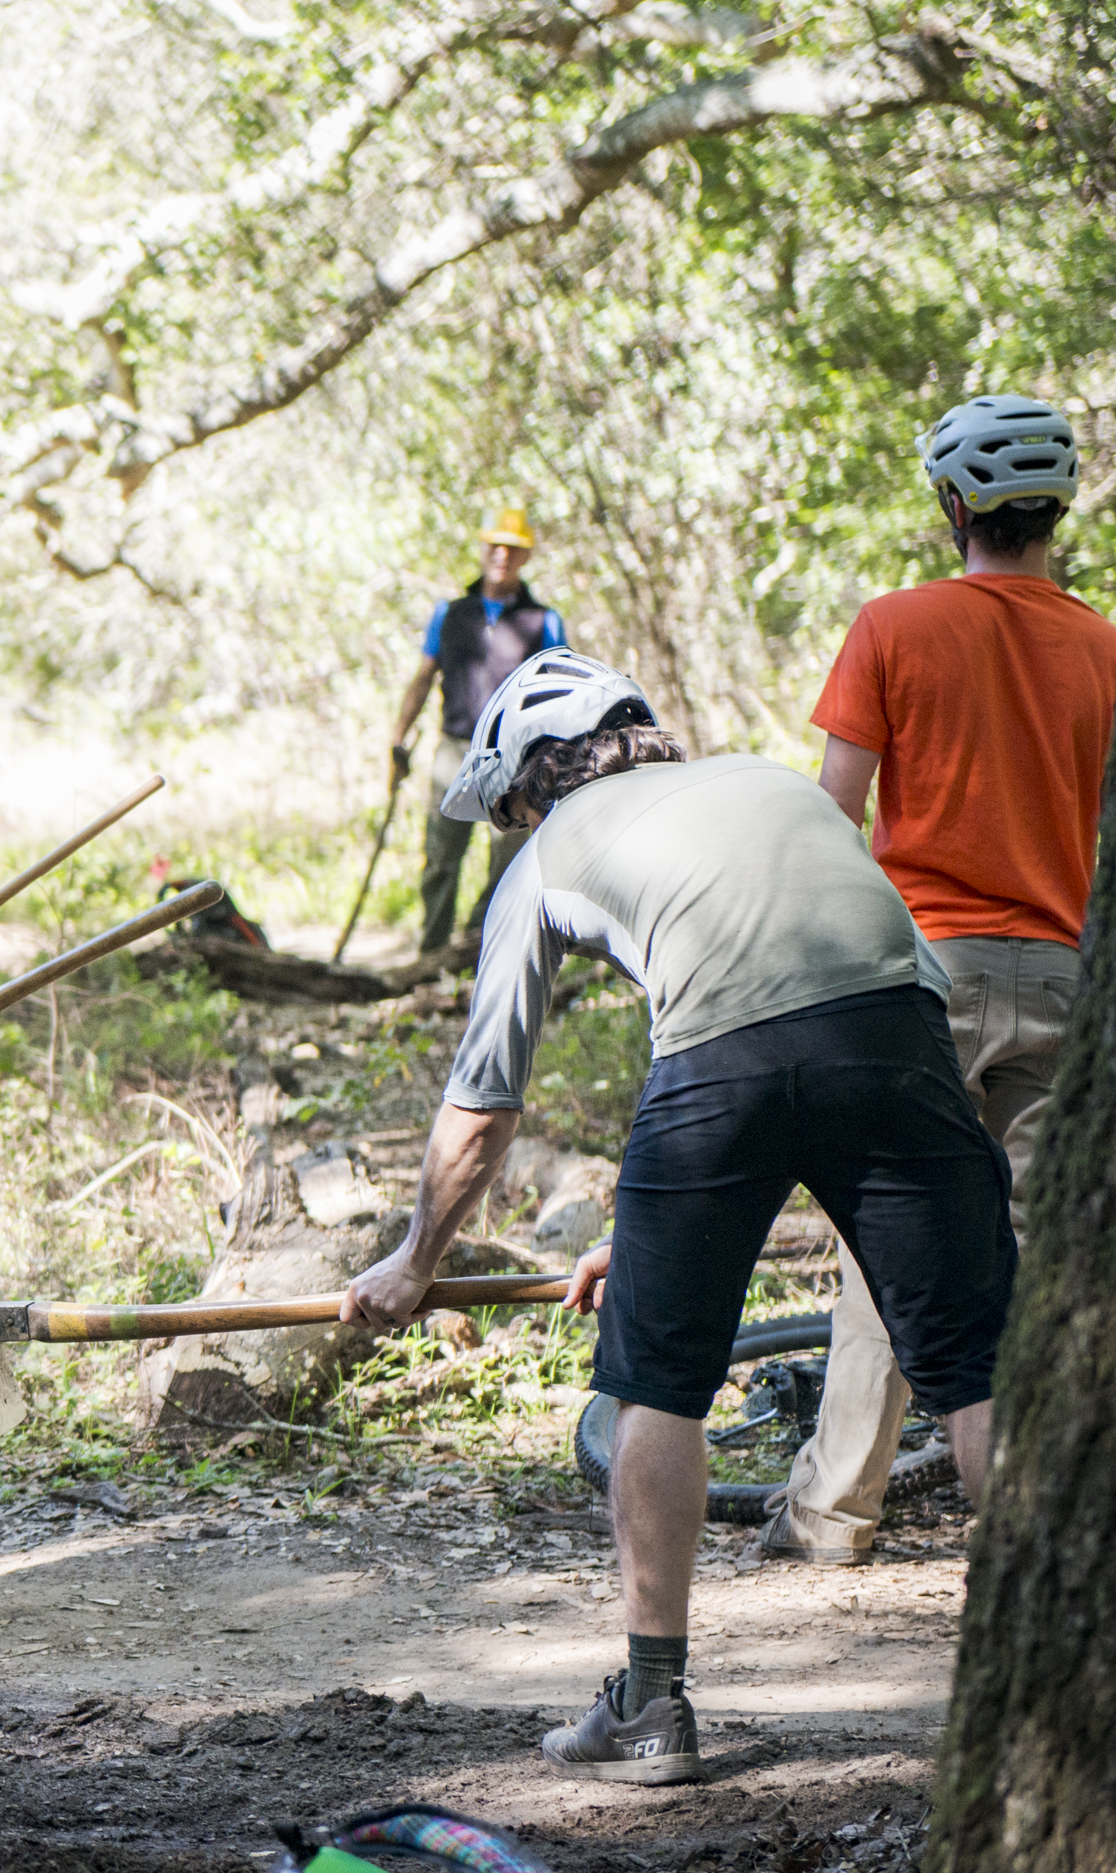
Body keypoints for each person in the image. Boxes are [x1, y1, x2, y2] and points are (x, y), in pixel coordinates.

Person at [340, 650, 1011, 1785]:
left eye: (506, 811)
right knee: (983, 1372)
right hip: (903, 1039)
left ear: (532, 784)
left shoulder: (550, 852)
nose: (510, 832)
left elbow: (481, 1108)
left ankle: (651, 1705)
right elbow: (849, 1000)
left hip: (722, 1069)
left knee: (657, 1385)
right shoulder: (773, 784)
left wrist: (414, 1261)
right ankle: (1070, 1674)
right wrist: (651, 1232)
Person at [763, 394, 1116, 1563]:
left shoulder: (895, 626)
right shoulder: (1109, 648)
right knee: (1027, 1249)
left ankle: (834, 1513)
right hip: (1065, 976)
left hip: (923, 973)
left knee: (899, 1242)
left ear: (954, 506)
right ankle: (1030, 1519)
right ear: (1054, 508)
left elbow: (832, 815)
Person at [386, 507, 571, 958]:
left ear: (525, 556)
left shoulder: (544, 621)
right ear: (483, 549)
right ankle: (431, 957)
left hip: (515, 756)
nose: (502, 555)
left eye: (513, 548)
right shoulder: (451, 614)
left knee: (508, 859)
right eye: (495, 545)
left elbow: (561, 689)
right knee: (440, 857)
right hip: (454, 751)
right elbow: (424, 676)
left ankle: (480, 948)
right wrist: (397, 739)